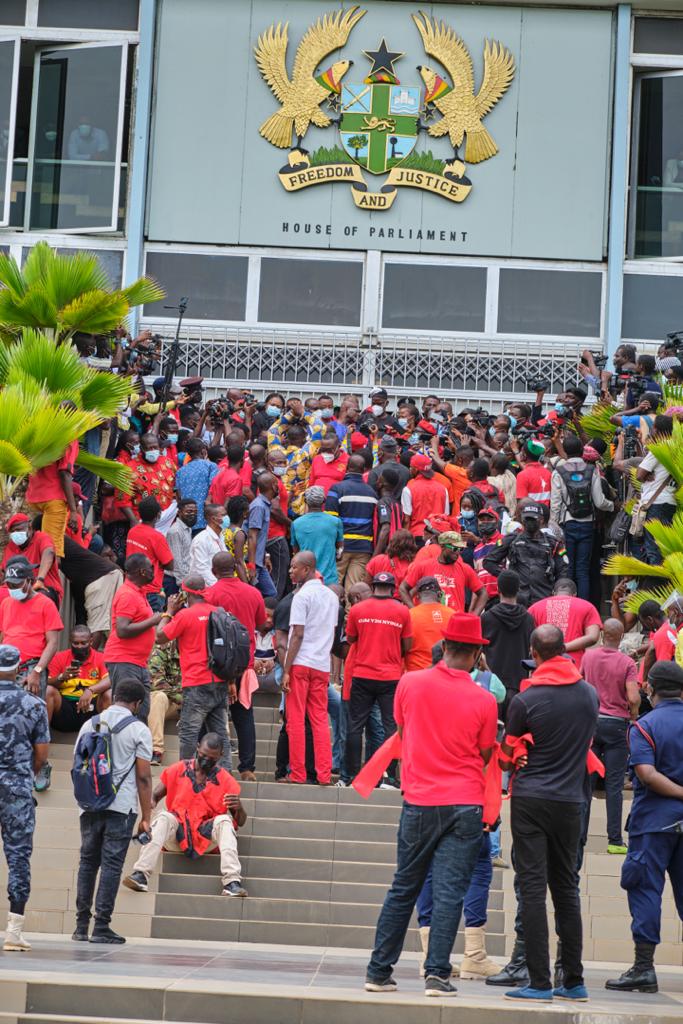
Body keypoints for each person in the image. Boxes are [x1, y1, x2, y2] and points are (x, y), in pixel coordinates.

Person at [365, 613, 497, 996]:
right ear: (474, 654)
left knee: (403, 886)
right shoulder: (484, 699)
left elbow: (403, 730)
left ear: (445, 646)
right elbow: (486, 752)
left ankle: (378, 972)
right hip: (465, 803)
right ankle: (437, 975)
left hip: (420, 799)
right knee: (450, 891)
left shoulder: (409, 683)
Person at [500, 624, 599, 1002]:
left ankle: (539, 981)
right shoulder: (589, 695)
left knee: (532, 889)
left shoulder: (524, 701)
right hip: (572, 801)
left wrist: (521, 748)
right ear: (564, 650)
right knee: (566, 889)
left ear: (535, 654)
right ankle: (572, 980)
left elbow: (508, 759)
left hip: (531, 801)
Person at [605, 661, 683, 994]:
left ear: (650, 687)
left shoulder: (644, 726)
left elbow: (647, 775)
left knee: (645, 889)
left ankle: (643, 968)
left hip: (653, 823)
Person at [73, 678, 152, 944]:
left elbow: (78, 765)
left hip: (89, 805)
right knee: (111, 866)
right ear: (137, 703)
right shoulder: (139, 729)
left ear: (115, 695)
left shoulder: (89, 723)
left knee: (87, 863)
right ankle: (102, 926)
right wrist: (146, 817)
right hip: (121, 806)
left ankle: (81, 925)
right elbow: (143, 777)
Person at [123, 733, 248, 898]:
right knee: (164, 817)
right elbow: (154, 796)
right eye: (203, 755)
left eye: (211, 758)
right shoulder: (178, 769)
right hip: (177, 834)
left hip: (205, 837)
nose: (205, 760)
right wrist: (146, 816)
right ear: (197, 748)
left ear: (221, 756)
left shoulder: (227, 781)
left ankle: (232, 882)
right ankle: (141, 874)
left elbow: (241, 821)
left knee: (225, 820)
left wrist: (239, 808)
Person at [0, 644, 49, 952]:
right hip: (16, 787)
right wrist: (21, 774)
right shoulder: (33, 704)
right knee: (18, 857)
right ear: (19, 668)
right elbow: (41, 756)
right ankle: (13, 931)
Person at [155, 577, 231, 770]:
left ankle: (185, 778)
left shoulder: (185, 615)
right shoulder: (218, 613)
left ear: (185, 594)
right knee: (221, 734)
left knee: (189, 735)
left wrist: (169, 611)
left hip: (196, 683)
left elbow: (159, 636)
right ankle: (226, 777)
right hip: (219, 681)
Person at [345, 571, 413, 787]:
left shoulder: (357, 609)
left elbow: (352, 638)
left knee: (355, 726)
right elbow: (408, 646)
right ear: (393, 589)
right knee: (390, 727)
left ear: (373, 587)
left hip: (362, 674)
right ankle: (389, 776)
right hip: (391, 677)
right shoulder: (403, 611)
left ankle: (353, 775)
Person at [205, 552, 267, 781]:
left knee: (213, 715)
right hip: (244, 665)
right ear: (235, 567)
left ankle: (212, 764)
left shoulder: (210, 594)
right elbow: (261, 624)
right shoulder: (253, 593)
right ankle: (247, 767)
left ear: (213, 570)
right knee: (244, 716)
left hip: (217, 666)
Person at [582, 619, 640, 854]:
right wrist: (633, 716)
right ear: (622, 635)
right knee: (614, 785)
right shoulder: (627, 662)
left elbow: (580, 682)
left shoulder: (588, 657)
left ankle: (580, 837)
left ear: (603, 634)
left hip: (592, 723)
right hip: (617, 725)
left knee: (585, 783)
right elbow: (634, 697)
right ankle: (615, 840)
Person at [281, 552, 338, 785]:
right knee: (320, 721)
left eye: (294, 567)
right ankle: (324, 775)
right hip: (321, 665)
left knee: (295, 720)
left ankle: (298, 773)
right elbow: (332, 634)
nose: (290, 571)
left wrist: (286, 668)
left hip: (301, 663)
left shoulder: (302, 596)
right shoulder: (332, 597)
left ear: (306, 569)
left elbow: (298, 634)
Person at [550, 435, 613, 600]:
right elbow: (599, 502)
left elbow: (555, 504)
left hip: (567, 524)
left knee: (568, 567)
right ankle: (583, 606)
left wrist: (553, 527)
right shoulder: (592, 470)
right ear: (581, 451)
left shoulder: (558, 472)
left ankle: (567, 603)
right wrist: (613, 506)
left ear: (565, 451)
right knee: (583, 570)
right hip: (587, 525)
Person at [102, 554, 162, 722]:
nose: (154, 571)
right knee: (126, 713)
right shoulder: (127, 594)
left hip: (137, 663)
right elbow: (122, 629)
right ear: (142, 571)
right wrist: (152, 621)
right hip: (124, 661)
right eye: (151, 568)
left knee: (141, 712)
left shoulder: (139, 593)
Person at [483, 502, 569, 606]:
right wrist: (507, 576)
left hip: (544, 599)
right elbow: (488, 562)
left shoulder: (554, 543)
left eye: (533, 519)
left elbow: (563, 572)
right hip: (518, 600)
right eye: (527, 519)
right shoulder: (511, 540)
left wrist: (557, 595)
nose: (529, 522)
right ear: (522, 520)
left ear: (541, 520)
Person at [481, 570, 535, 706]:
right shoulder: (528, 619)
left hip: (492, 684)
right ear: (518, 590)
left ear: (498, 589)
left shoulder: (487, 618)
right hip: (519, 685)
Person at [400, 531, 487, 615]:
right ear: (442, 547)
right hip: (429, 621)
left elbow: (483, 593)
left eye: (461, 549)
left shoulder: (465, 569)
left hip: (454, 623)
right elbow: (403, 588)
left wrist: (474, 616)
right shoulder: (423, 566)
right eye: (454, 548)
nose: (458, 552)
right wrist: (413, 610)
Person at [59, 536, 123, 649]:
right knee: (107, 623)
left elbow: (56, 561)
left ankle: (88, 662)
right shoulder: (63, 541)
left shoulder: (53, 541)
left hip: (101, 578)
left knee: (97, 625)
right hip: (107, 576)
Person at [325, 454, 378, 591]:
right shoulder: (372, 493)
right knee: (354, 591)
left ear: (347, 468)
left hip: (341, 547)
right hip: (363, 547)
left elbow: (330, 521)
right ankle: (351, 613)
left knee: (332, 588)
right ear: (364, 470)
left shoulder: (337, 489)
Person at [46, 626, 111, 733]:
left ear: (91, 641)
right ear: (70, 641)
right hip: (66, 710)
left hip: (92, 710)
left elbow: (110, 679)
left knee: (108, 693)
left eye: (83, 643)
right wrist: (62, 677)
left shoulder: (100, 657)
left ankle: (105, 739)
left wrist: (90, 690)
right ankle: (43, 737)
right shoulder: (59, 657)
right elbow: (48, 682)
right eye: (75, 643)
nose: (79, 647)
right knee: (49, 690)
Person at [528, 579, 602, 670]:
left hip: (543, 667)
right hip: (574, 667)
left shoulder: (535, 608)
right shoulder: (587, 606)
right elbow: (593, 637)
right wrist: (563, 648)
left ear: (553, 593)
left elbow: (527, 637)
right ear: (575, 594)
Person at [25, 433, 79, 557]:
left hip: (32, 497)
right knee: (51, 551)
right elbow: (64, 474)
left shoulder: (39, 430)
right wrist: (73, 511)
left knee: (30, 549)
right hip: (53, 499)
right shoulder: (69, 436)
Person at [635, 416, 677, 566]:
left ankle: (655, 583)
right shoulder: (676, 449)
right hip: (670, 502)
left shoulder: (659, 449)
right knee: (663, 548)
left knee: (653, 549)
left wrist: (645, 474)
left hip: (656, 504)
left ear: (656, 430)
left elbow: (639, 475)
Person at [125, 496, 174, 612]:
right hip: (151, 591)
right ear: (158, 515)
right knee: (153, 627)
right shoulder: (157, 537)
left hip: (132, 586)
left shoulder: (132, 531)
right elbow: (170, 565)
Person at [2, 512, 62, 606]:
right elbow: (5, 572)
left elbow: (49, 553)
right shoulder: (10, 547)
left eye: (18, 530)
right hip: (17, 588)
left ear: (29, 528)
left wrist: (40, 579)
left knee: (39, 599)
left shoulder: (41, 538)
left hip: (44, 587)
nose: (15, 534)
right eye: (13, 532)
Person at [290, 485, 343, 585]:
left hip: (305, 581)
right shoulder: (335, 522)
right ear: (324, 501)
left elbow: (296, 553)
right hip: (329, 581)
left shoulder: (296, 524)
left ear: (305, 501)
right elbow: (340, 553)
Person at [404, 577, 455, 671]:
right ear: (440, 595)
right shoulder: (454, 615)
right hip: (446, 674)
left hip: (416, 674)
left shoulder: (408, 615)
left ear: (418, 597)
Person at [147, 640, 181, 765]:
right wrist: (181, 699)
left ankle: (223, 741)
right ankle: (156, 750)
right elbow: (157, 682)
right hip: (173, 702)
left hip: (195, 701)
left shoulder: (201, 647)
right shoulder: (162, 648)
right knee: (157, 696)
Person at [402, 453, 449, 541]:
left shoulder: (408, 489)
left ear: (415, 470)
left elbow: (406, 520)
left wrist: (404, 541)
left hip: (416, 536)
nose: (410, 470)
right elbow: (445, 516)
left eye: (411, 467)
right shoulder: (443, 489)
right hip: (437, 537)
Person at [175, 437, 218, 532]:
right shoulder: (211, 466)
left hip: (187, 520)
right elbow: (213, 488)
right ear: (203, 451)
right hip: (205, 519)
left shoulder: (180, 471)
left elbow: (178, 496)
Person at [247, 473, 278, 598]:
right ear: (273, 486)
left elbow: (260, 536)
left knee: (271, 593)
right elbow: (252, 536)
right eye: (276, 483)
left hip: (259, 560)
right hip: (253, 562)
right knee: (254, 595)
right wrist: (251, 565)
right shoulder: (258, 506)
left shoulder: (264, 505)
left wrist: (265, 555)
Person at [189, 502, 228, 587]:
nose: (227, 518)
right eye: (223, 515)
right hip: (206, 589)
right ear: (213, 519)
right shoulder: (201, 539)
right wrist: (218, 587)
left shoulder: (221, 536)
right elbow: (202, 569)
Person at [166, 499, 198, 589]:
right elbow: (176, 561)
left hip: (184, 578)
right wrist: (183, 584)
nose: (193, 514)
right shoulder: (175, 531)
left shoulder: (188, 528)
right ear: (179, 512)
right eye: (189, 511)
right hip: (175, 581)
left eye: (195, 512)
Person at [515, 440, 551, 506]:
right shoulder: (548, 473)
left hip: (530, 514)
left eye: (521, 451)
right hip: (546, 513)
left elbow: (522, 503)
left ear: (524, 455)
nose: (520, 453)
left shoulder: (522, 475)